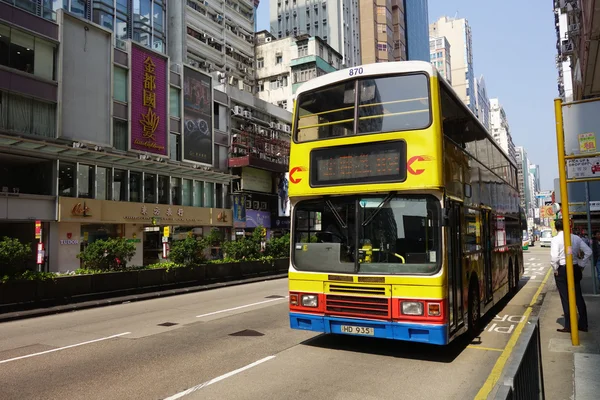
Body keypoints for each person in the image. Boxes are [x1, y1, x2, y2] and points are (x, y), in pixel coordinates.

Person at [550, 219, 592, 333]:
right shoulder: (576, 238)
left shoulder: (555, 239)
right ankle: (583, 324)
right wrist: (582, 264)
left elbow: (554, 258)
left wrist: (555, 269)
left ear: (556, 228)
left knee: (565, 298)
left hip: (562, 269)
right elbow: (588, 251)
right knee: (578, 297)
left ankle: (569, 325)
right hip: (574, 268)